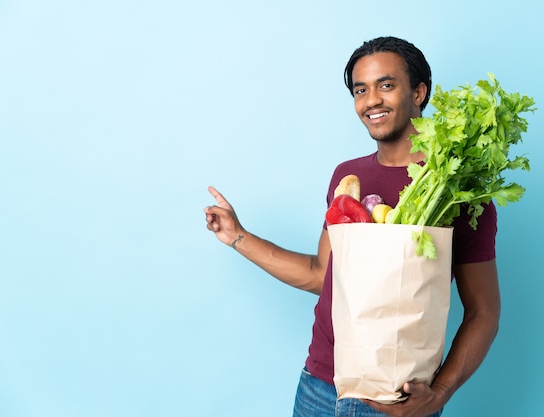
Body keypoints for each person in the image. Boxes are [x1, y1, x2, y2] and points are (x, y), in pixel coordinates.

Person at [204, 36, 500, 417]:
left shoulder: (457, 190)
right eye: (361, 90)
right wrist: (237, 236)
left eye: (386, 85)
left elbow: (484, 312)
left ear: (419, 92)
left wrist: (440, 392)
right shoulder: (348, 177)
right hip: (320, 385)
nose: (371, 100)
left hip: (397, 398)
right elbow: (321, 275)